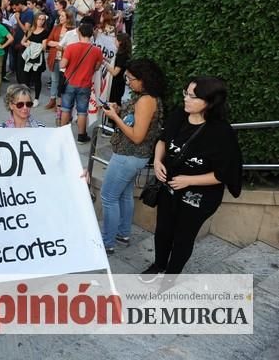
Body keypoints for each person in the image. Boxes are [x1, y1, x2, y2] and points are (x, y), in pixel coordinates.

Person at [141, 77, 243, 282]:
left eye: (192, 96)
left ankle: (170, 276)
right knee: (162, 231)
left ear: (210, 101)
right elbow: (163, 140)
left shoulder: (221, 133)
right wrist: (158, 161)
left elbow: (224, 174)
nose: (186, 99)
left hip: (198, 199)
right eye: (185, 93)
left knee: (182, 238)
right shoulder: (179, 116)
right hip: (169, 190)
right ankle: (159, 265)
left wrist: (189, 180)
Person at [100, 59, 165, 255]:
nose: (127, 81)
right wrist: (120, 111)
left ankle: (107, 242)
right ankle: (123, 234)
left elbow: (137, 136)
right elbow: (135, 122)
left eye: (130, 78)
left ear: (143, 80)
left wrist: (115, 118)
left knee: (108, 197)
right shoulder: (146, 97)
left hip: (128, 156)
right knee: (124, 194)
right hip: (134, 157)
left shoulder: (146, 100)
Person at [60, 22, 103, 143]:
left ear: (79, 32)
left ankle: (62, 134)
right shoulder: (97, 50)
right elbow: (97, 67)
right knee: (82, 111)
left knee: (66, 108)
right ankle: (81, 136)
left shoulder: (71, 48)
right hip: (85, 84)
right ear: (91, 34)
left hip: (70, 82)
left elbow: (63, 65)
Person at [44, 8, 74, 109]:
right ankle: (52, 99)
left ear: (68, 18)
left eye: (62, 16)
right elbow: (48, 41)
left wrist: (59, 45)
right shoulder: (56, 27)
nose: (60, 18)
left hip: (65, 59)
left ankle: (59, 102)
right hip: (54, 57)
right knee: (54, 80)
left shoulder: (72, 31)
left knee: (63, 81)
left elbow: (71, 46)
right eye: (60, 16)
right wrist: (60, 44)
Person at [19, 12, 49, 107]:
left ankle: (36, 98)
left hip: (38, 59)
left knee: (37, 79)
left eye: (43, 19)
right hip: (28, 57)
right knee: (25, 78)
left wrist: (40, 45)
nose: (41, 21)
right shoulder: (30, 30)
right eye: (39, 19)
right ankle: (26, 98)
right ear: (35, 19)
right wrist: (26, 44)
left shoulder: (45, 32)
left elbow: (44, 48)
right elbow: (22, 41)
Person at [107, 32, 132, 107]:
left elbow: (115, 72)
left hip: (116, 84)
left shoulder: (121, 55)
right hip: (120, 83)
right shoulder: (125, 54)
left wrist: (105, 64)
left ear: (120, 42)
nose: (114, 42)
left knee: (114, 103)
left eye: (116, 40)